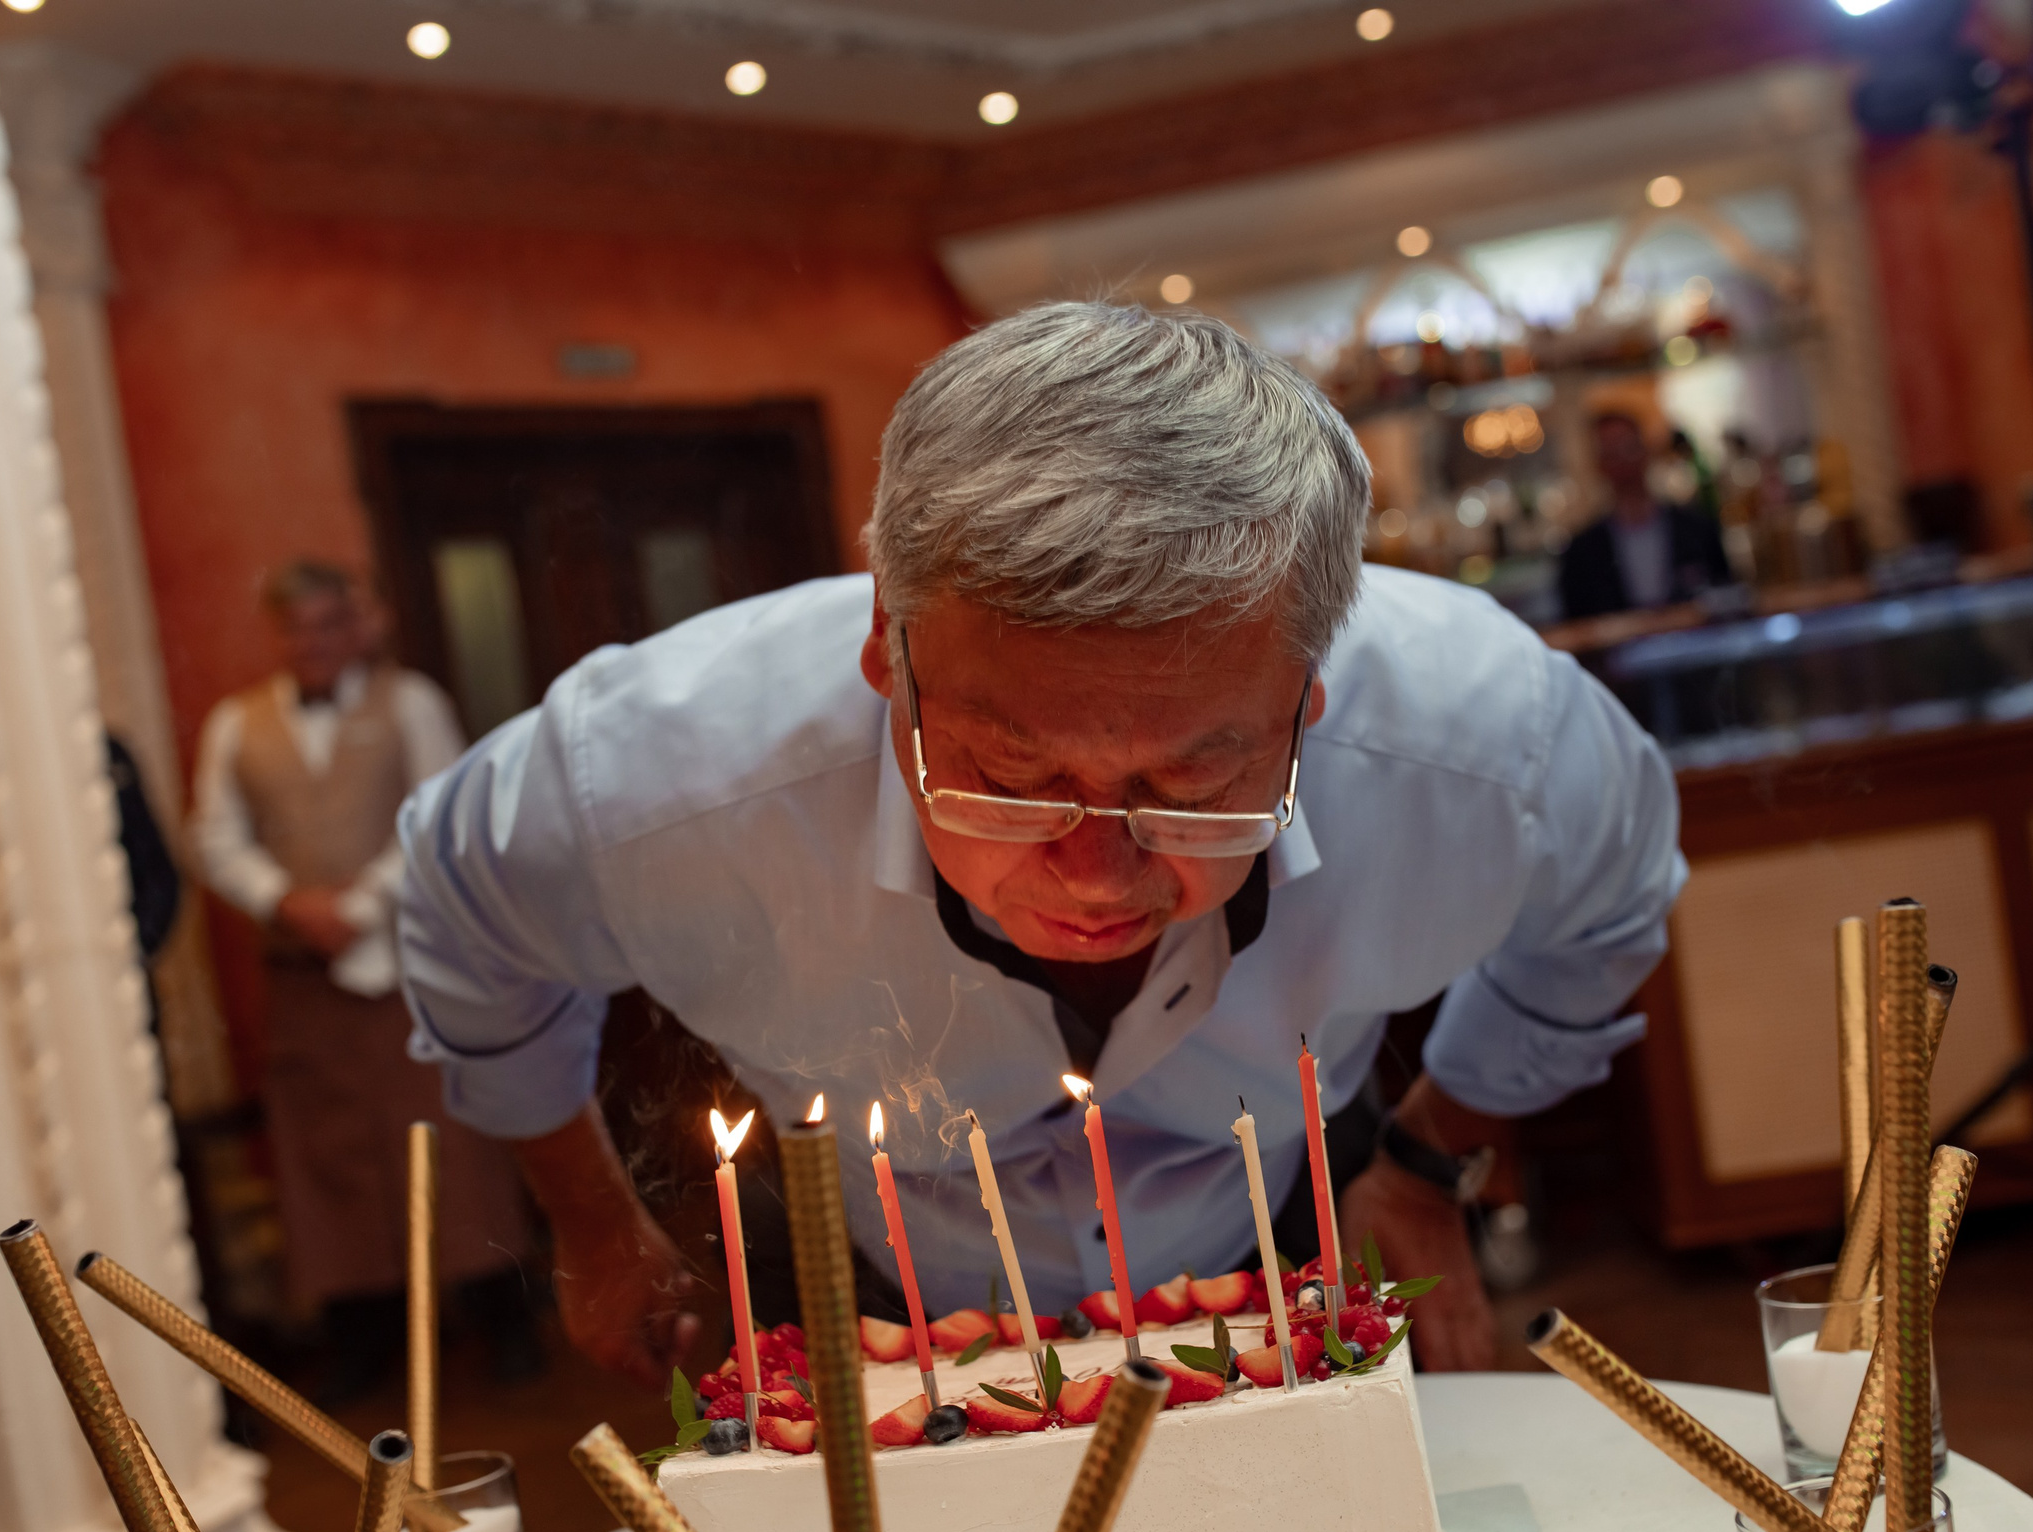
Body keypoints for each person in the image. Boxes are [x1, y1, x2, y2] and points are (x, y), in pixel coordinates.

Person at [398, 305, 1684, 1386]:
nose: (1095, 874)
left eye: (1194, 782)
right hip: (873, 1255)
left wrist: (1424, 1157)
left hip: (1301, 1200)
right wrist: (587, 1218)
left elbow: (1611, 913)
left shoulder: (1490, 744)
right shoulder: (650, 777)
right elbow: (463, 924)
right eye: (1011, 778)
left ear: (1307, 700)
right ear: (883, 661)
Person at [191, 561, 539, 1404]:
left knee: (447, 1140)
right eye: (294, 630)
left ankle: (503, 1319)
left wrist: (362, 903)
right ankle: (363, 1332)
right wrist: (285, 902)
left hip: (408, 962)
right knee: (329, 1153)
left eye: (325, 626)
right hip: (301, 978)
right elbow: (213, 837)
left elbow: (439, 810)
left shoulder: (409, 701)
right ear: (276, 635)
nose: (310, 644)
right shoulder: (236, 725)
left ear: (355, 627)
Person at [1557, 411, 1734, 620]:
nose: (1623, 463)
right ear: (1599, 464)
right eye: (1611, 453)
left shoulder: (1697, 529)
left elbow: (1726, 597)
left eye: (1628, 448)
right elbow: (1579, 623)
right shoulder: (1582, 551)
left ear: (1645, 452)